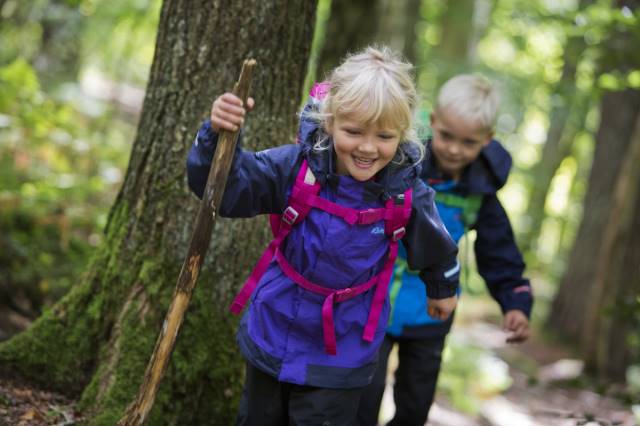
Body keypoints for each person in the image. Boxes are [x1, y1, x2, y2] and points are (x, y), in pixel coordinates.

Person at [186, 46, 461, 426]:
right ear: (330, 121)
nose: (367, 147)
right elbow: (227, 191)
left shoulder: (406, 193)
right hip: (275, 324)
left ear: (403, 133)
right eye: (353, 131)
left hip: (344, 345)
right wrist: (216, 138)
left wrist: (443, 289)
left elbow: (436, 246)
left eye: (384, 136)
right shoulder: (295, 167)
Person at [356, 74, 534, 426]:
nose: (454, 148)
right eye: (447, 135)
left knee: (414, 405)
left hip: (432, 310)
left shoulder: (481, 194)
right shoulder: (402, 166)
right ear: (432, 121)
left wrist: (515, 301)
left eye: (468, 142)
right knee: (361, 398)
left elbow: (499, 253)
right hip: (372, 303)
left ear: (487, 139)